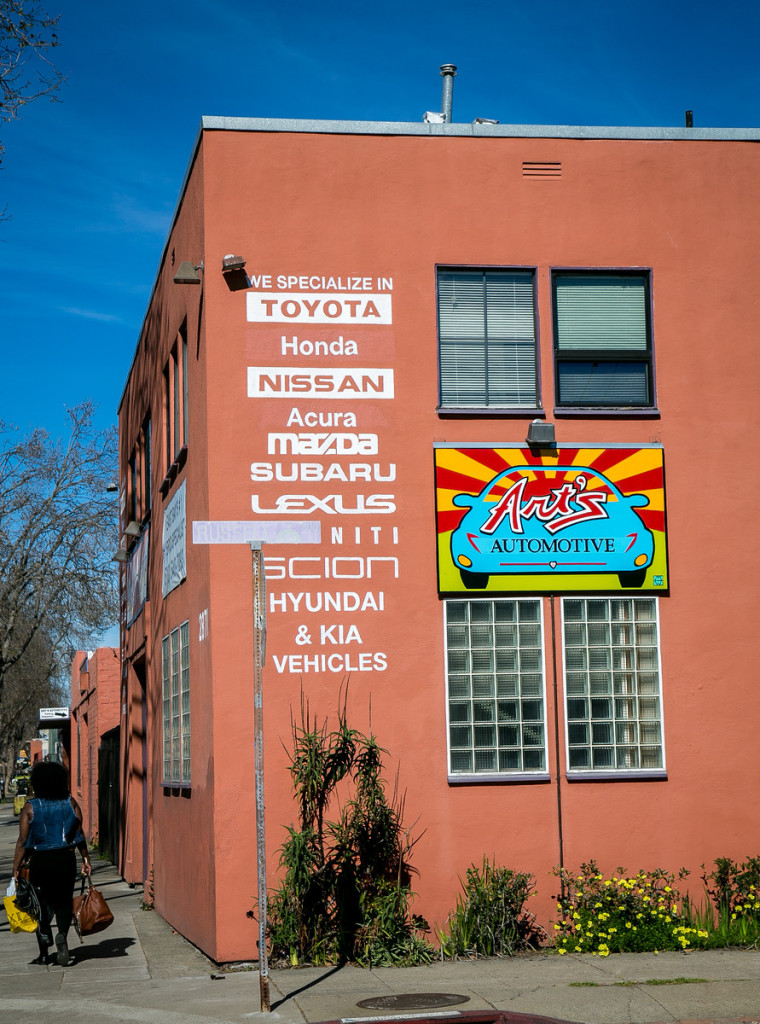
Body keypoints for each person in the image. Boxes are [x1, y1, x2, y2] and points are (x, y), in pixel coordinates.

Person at [12, 761, 92, 966]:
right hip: (65, 859)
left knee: (41, 904)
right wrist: (85, 859)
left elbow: (22, 841)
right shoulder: (70, 802)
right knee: (64, 900)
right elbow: (79, 834)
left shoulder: (30, 807)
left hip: (41, 861)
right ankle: (62, 936)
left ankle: (44, 953)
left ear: (37, 782)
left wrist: (16, 868)